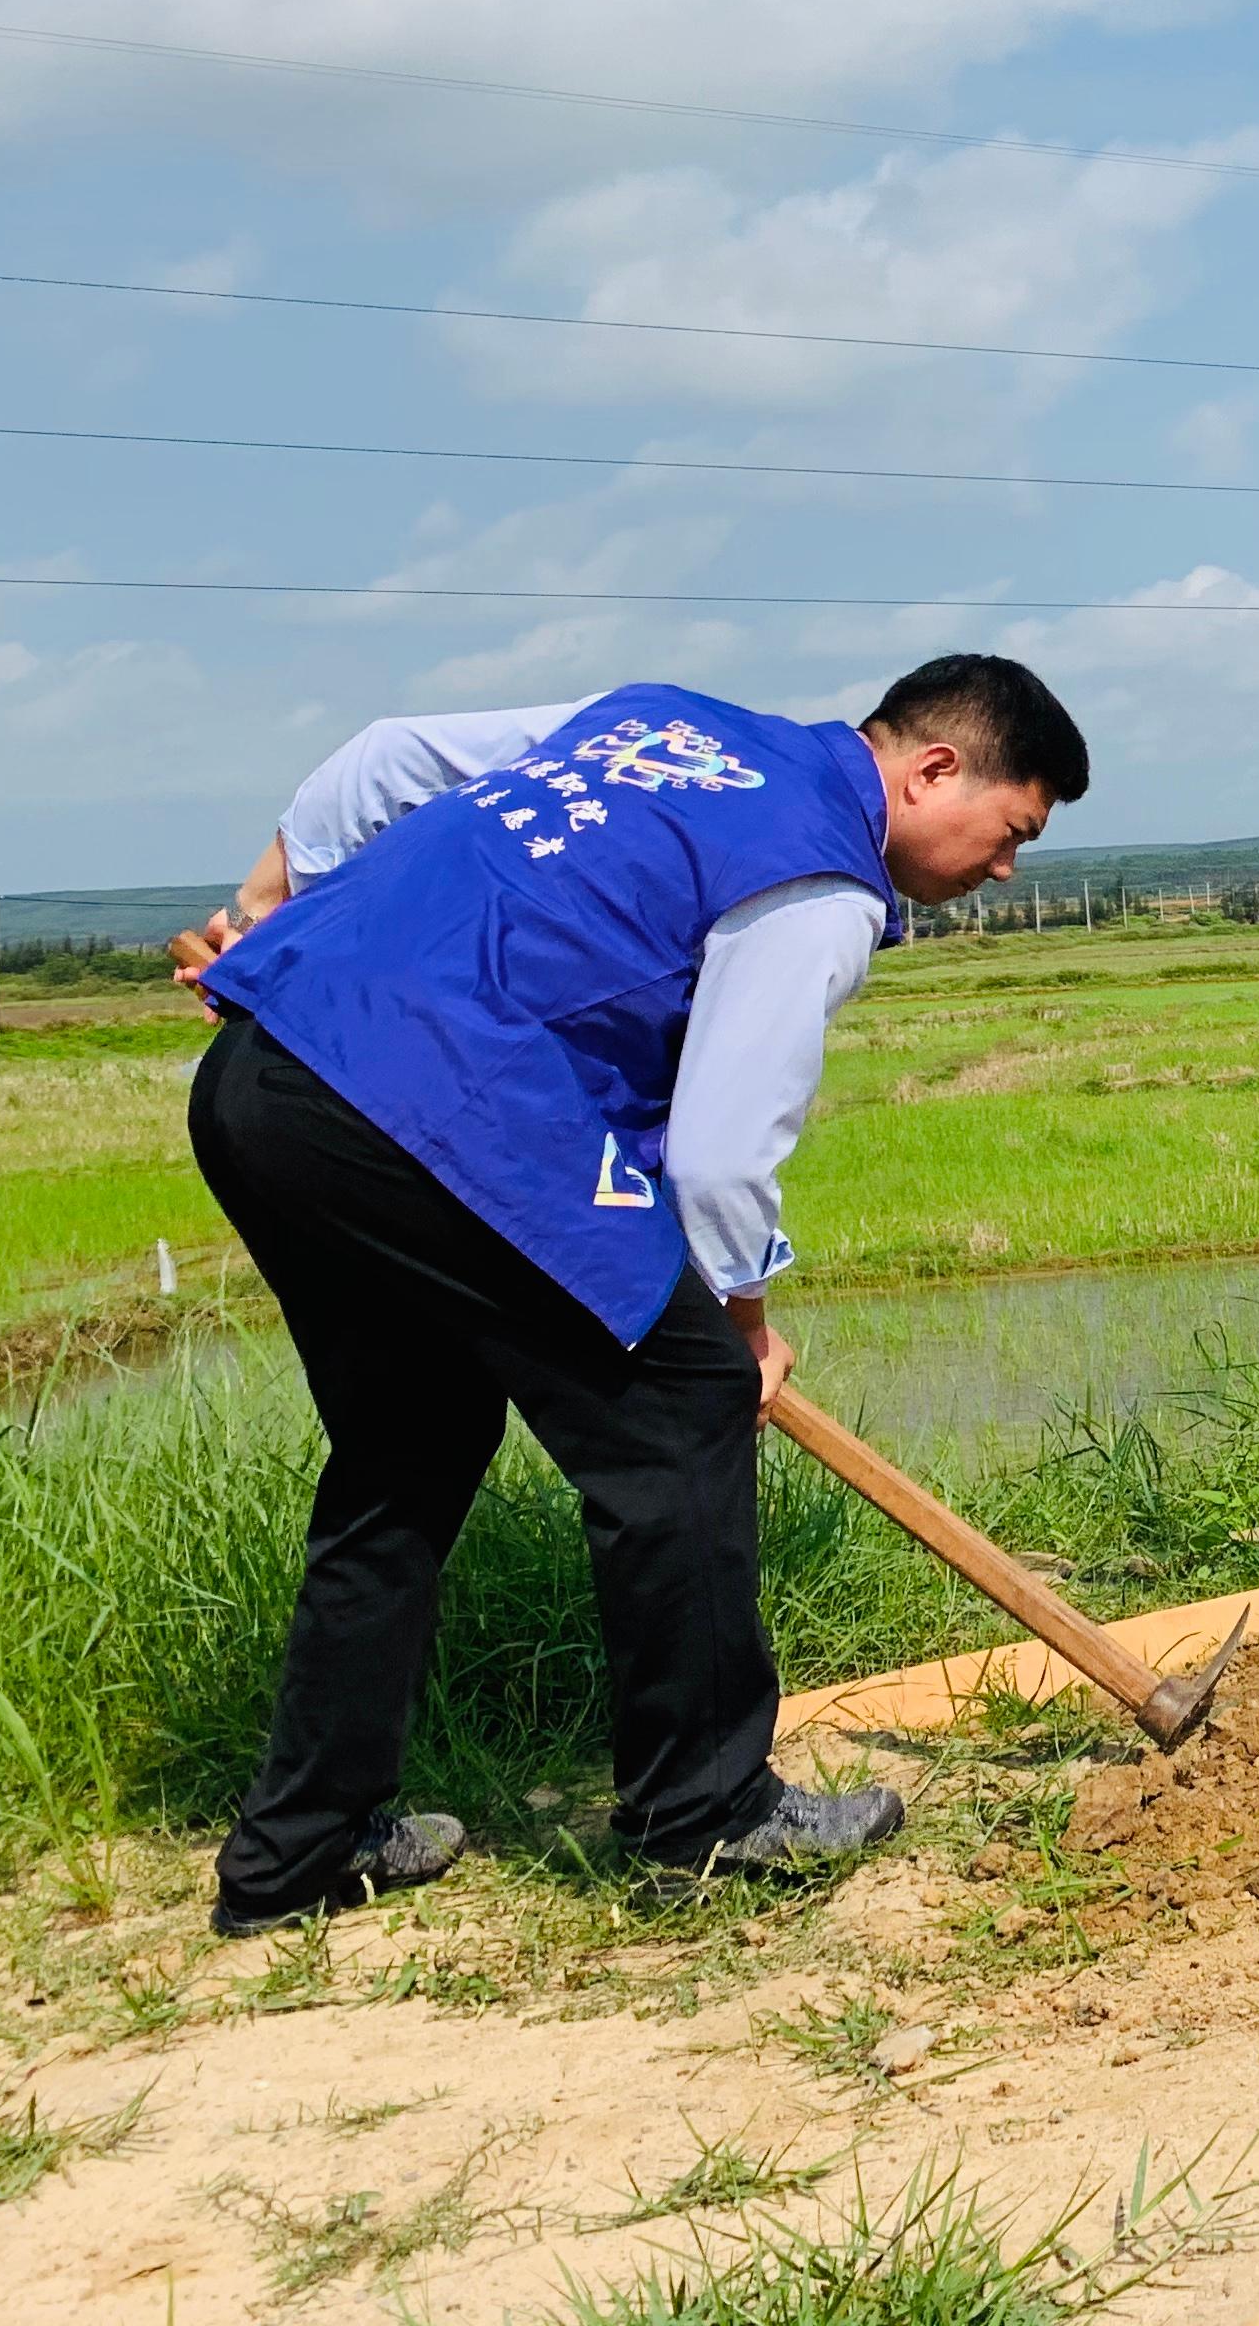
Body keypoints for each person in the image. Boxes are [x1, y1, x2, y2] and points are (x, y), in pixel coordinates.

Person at [169, 654, 1091, 1931]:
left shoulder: (664, 722)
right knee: (684, 1408)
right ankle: (705, 1815)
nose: (1002, 870)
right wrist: (743, 1325)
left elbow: (384, 757)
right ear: (936, 771)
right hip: (429, 1099)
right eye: (1012, 833)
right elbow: (720, 1150)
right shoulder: (819, 870)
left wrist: (260, 901)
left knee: (406, 1450)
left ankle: (299, 1849)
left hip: (265, 1076)